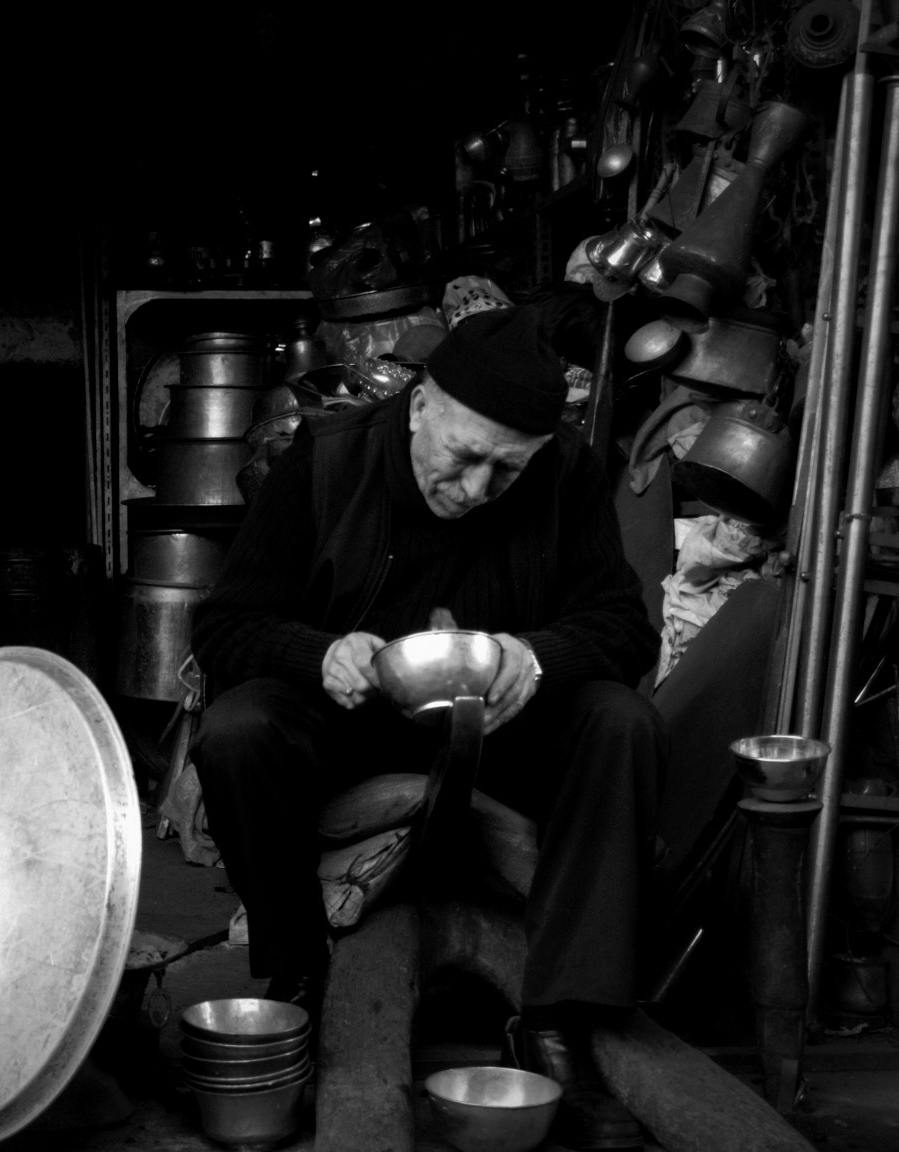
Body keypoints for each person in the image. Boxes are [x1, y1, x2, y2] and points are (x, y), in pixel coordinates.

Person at [190, 304, 664, 1152]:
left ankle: (559, 1020)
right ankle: (300, 971)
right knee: (236, 730)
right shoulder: (326, 465)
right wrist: (317, 654)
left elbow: (626, 628)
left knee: (619, 720)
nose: (478, 489)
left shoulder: (567, 474)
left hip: (504, 735)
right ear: (420, 407)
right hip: (351, 729)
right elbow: (225, 629)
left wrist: (541, 655)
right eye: (466, 457)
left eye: (507, 470)